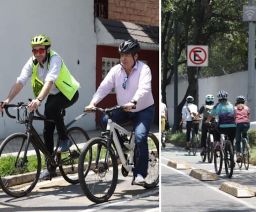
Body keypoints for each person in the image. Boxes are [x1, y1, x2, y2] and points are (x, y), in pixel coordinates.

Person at [0, 34, 80, 180]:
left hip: (69, 92)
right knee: (47, 129)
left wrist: (38, 99)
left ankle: (64, 139)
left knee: (51, 109)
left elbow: (49, 82)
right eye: (34, 51)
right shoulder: (33, 62)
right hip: (53, 94)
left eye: (41, 50)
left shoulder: (55, 59)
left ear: (47, 50)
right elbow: (21, 81)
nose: (38, 54)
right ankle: (51, 168)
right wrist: (7, 99)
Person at [84, 39, 154, 186]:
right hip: (124, 108)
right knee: (104, 121)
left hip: (143, 109)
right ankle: (122, 148)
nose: (123, 58)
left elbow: (144, 88)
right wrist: (93, 103)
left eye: (127, 55)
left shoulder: (144, 69)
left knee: (140, 137)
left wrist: (134, 101)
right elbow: (104, 87)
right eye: (121, 55)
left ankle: (140, 174)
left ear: (135, 56)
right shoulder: (116, 70)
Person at [234, 95, 250, 163]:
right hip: (246, 124)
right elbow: (248, 116)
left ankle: (238, 154)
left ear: (237, 102)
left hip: (238, 124)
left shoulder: (234, 108)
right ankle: (247, 146)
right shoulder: (247, 108)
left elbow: (234, 117)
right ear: (244, 101)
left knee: (238, 140)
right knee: (245, 135)